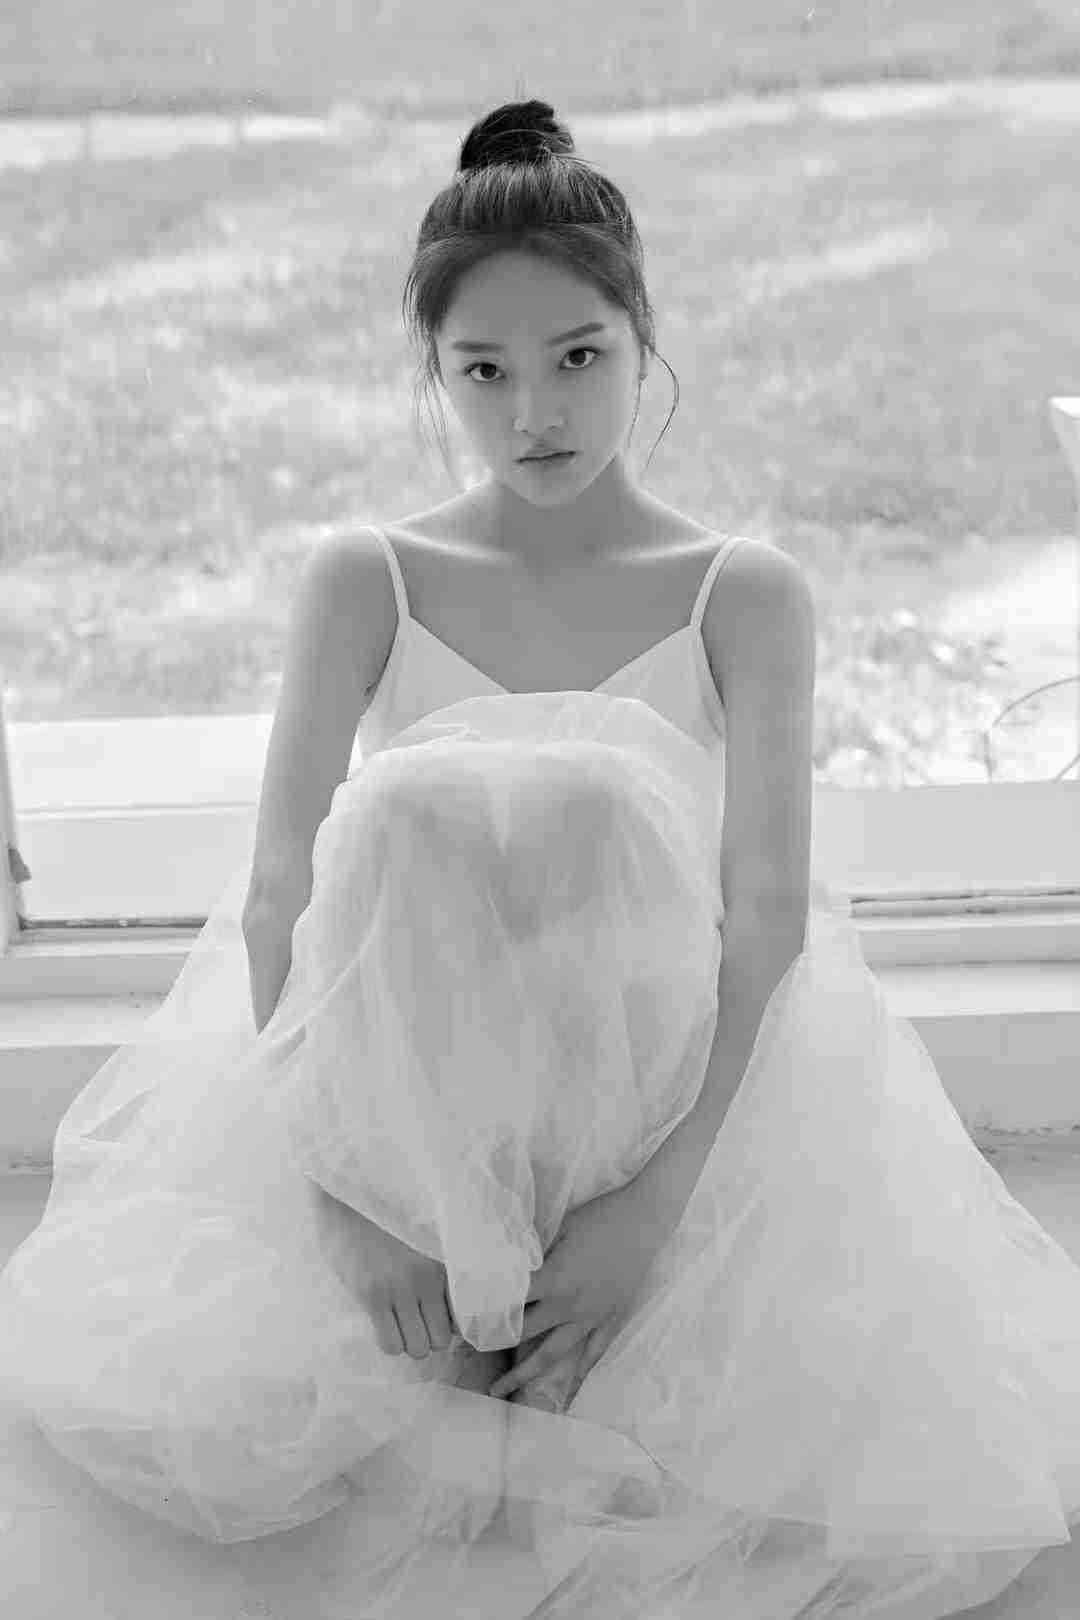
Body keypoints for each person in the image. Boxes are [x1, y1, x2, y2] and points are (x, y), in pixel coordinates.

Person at [0, 97, 1077, 1620]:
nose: (535, 416)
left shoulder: (743, 592)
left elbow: (765, 915)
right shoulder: (366, 577)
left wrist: (653, 1215)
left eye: (579, 358)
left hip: (658, 1100)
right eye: (483, 372)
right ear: (433, 372)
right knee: (284, 1425)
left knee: (764, 1462)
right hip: (399, 1096)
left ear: (644, 341)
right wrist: (343, 1204)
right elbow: (280, 893)